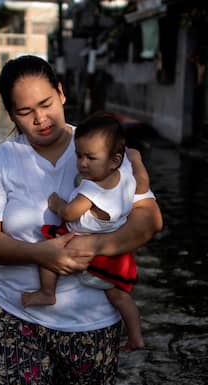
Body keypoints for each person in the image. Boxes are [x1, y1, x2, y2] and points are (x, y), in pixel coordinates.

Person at [0, 55, 163, 385]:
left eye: (45, 103)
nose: (40, 119)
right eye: (24, 111)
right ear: (11, 115)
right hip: (17, 316)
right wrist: (42, 253)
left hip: (90, 322)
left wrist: (96, 245)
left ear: (61, 93)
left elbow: (149, 221)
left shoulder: (104, 145)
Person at [21, 112, 150, 353]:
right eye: (79, 155)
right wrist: (137, 160)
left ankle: (47, 292)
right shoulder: (125, 176)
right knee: (120, 298)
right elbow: (143, 184)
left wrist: (57, 203)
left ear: (113, 160)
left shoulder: (91, 189)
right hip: (114, 258)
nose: (82, 163)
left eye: (91, 158)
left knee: (48, 248)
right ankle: (136, 337)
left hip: (86, 250)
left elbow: (70, 213)